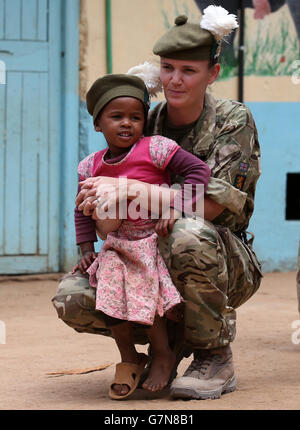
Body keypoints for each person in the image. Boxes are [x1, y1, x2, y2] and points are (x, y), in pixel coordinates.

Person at [53, 5, 262, 400]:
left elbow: (214, 206)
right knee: (74, 296)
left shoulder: (233, 120)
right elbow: (102, 207)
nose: (175, 80)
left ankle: (213, 353)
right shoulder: (143, 119)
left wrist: (137, 192)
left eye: (189, 70)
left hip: (220, 258)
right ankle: (164, 341)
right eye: (167, 68)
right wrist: (99, 215)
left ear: (212, 73)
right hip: (142, 248)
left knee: (186, 232)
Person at [68, 72, 211, 400]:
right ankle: (129, 356)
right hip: (115, 246)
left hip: (152, 241)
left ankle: (162, 352)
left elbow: (198, 172)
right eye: (116, 117)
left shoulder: (156, 149)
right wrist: (86, 247)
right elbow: (81, 208)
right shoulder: (90, 166)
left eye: (135, 117)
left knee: (144, 289)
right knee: (108, 296)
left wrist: (176, 208)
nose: (127, 124)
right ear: (97, 124)